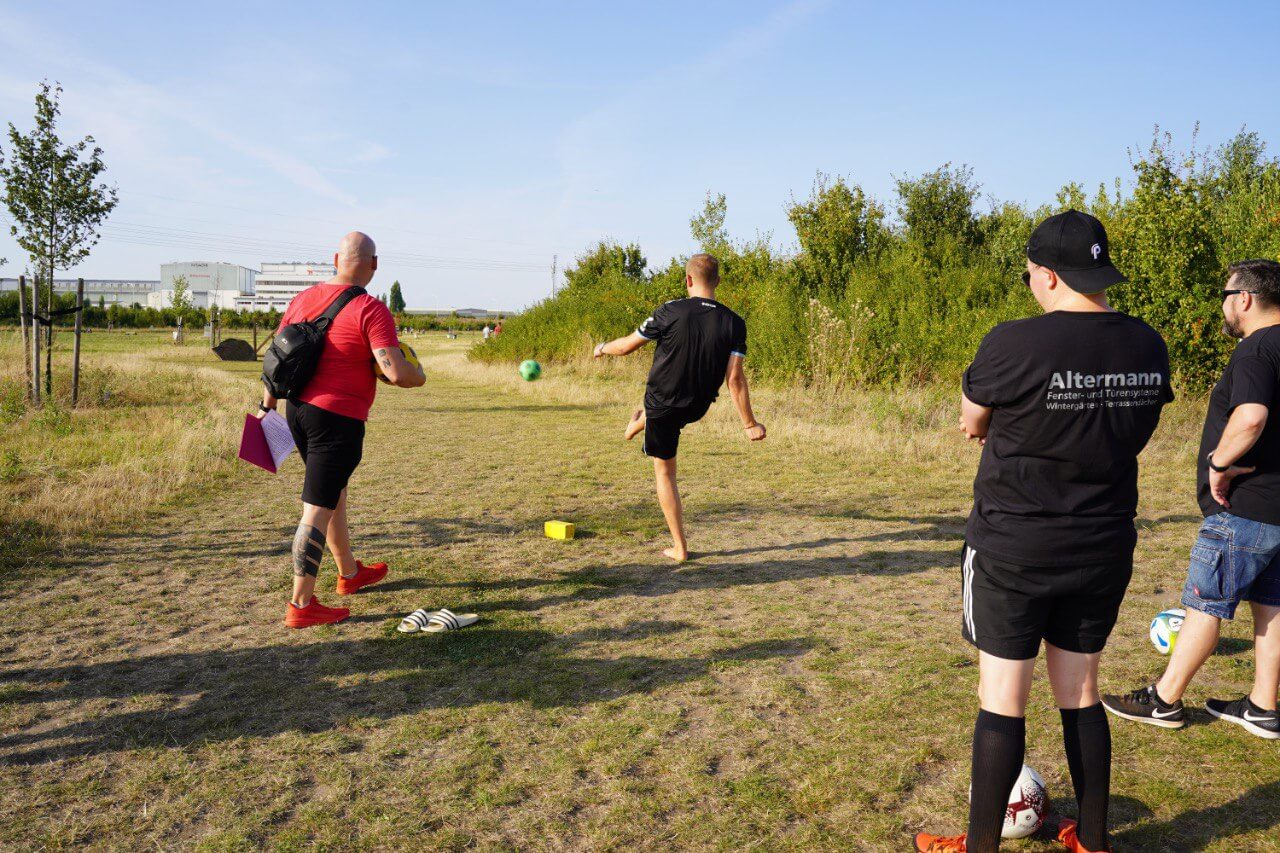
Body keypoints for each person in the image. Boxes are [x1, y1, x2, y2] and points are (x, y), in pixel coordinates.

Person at [915, 211, 1173, 853]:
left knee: (1003, 698)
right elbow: (1138, 429)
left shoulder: (1012, 342)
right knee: (1080, 691)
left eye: (1030, 272)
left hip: (1014, 545)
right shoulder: (1147, 344)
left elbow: (972, 423)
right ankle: (1092, 840)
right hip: (1102, 543)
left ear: (1049, 275)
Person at [1103, 259, 1280, 740]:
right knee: (1272, 608)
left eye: (1226, 295)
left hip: (1244, 508)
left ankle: (1163, 700)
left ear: (1243, 298)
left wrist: (1219, 465)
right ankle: (1264, 707)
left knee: (1205, 605)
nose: (1223, 305)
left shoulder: (1256, 350)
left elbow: (1251, 416)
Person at [258, 231, 425, 628]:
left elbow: (276, 356)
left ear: (336, 259)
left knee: (332, 494)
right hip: (337, 418)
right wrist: (419, 376)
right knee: (315, 508)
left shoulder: (301, 300)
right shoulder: (372, 309)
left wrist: (267, 408)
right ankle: (301, 605)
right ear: (374, 264)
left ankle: (349, 574)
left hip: (296, 410)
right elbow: (395, 372)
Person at [592, 253, 765, 562]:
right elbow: (735, 379)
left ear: (687, 280)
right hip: (697, 406)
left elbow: (626, 347)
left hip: (662, 405)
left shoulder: (669, 311)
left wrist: (601, 348)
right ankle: (637, 423)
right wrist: (749, 424)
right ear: (718, 282)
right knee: (659, 417)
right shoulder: (735, 322)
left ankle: (680, 548)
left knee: (665, 473)